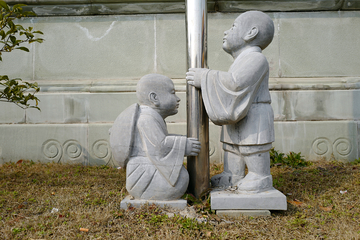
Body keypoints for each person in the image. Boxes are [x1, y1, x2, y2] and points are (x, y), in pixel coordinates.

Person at [186, 11, 275, 192]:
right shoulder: (242, 59)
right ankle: (233, 174)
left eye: (233, 27)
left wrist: (206, 78)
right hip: (241, 112)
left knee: (252, 146)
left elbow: (236, 84)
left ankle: (260, 175)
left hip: (254, 114)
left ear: (251, 33)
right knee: (233, 147)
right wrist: (210, 79)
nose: (226, 32)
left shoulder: (256, 59)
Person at [110, 74, 201, 200]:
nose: (178, 98)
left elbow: (162, 140)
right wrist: (184, 145)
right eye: (173, 93)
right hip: (144, 177)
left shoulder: (150, 117)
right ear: (154, 98)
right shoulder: (147, 119)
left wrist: (182, 140)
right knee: (181, 178)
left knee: (182, 176)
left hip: (146, 172)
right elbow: (159, 148)